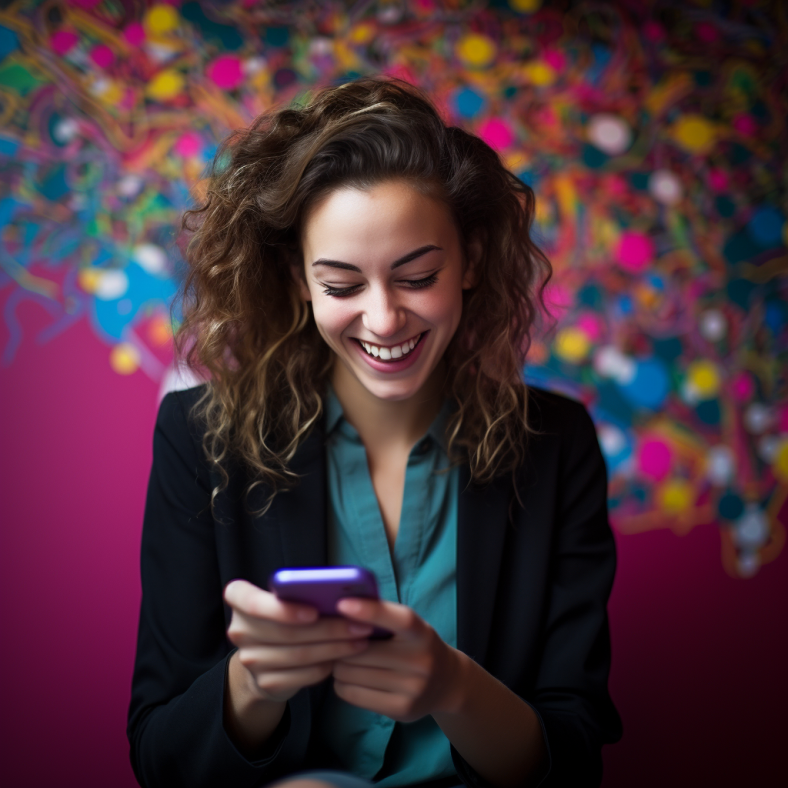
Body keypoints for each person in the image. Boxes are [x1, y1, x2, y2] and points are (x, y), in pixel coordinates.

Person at [127, 76, 622, 788]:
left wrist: (454, 687)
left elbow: (570, 763)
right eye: (340, 285)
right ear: (298, 279)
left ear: (472, 260)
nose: (384, 320)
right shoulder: (199, 441)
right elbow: (159, 760)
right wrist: (254, 683)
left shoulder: (557, 446)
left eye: (417, 275)